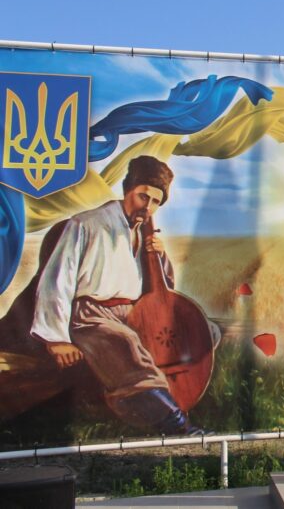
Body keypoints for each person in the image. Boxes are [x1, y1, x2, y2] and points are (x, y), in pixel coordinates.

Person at [29, 155, 209, 435]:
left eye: (156, 202)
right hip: (91, 316)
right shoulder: (86, 224)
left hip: (133, 311)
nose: (148, 207)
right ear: (128, 190)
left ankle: (177, 405)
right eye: (143, 196)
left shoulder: (141, 231)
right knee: (126, 342)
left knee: (199, 331)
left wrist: (159, 256)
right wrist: (57, 340)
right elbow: (57, 280)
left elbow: (162, 285)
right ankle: (178, 425)